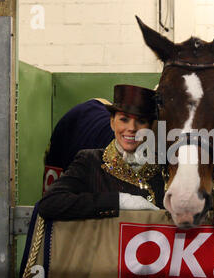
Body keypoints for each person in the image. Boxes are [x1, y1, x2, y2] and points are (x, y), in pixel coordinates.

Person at [38, 84, 164, 220]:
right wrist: (119, 201)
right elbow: (49, 204)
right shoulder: (89, 161)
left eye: (141, 121)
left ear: (151, 127)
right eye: (124, 119)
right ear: (112, 122)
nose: (131, 128)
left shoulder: (162, 169)